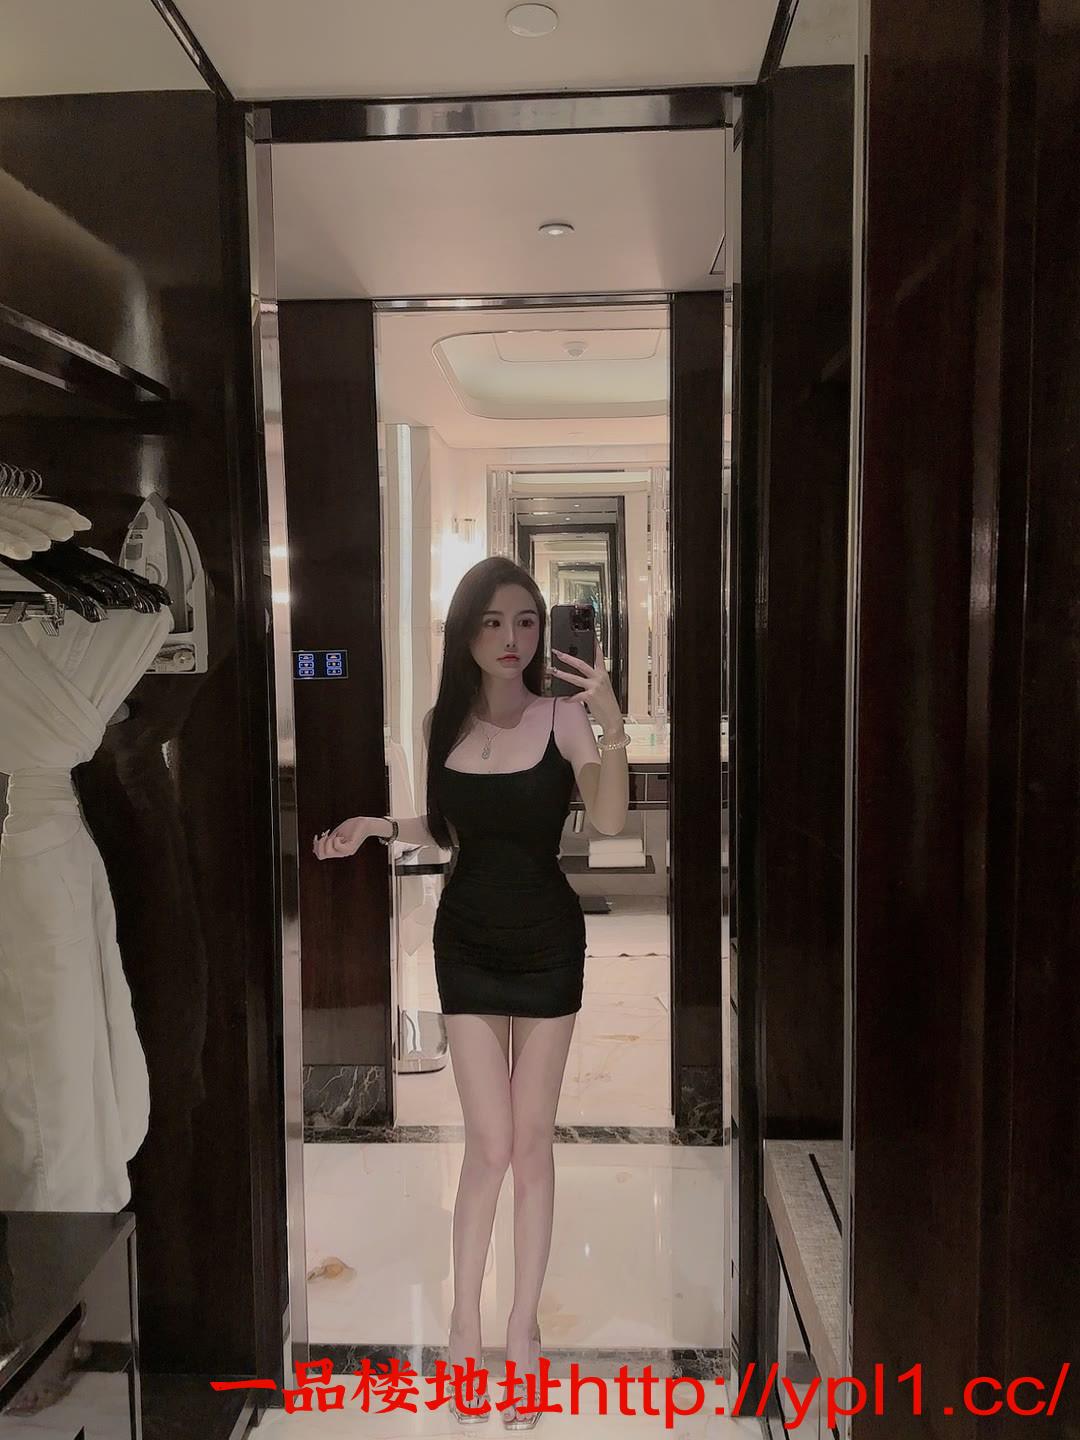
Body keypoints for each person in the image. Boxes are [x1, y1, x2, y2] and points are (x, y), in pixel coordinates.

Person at [314, 556, 630, 1428]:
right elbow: (453, 827)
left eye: (525, 621)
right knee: (488, 1145)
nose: (511, 638)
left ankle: (520, 1331)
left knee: (530, 1144)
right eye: (492, 622)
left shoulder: (562, 716)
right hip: (467, 947)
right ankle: (463, 1328)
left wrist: (608, 719)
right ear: (465, 632)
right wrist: (377, 825)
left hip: (548, 945)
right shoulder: (440, 723)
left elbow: (608, 820)